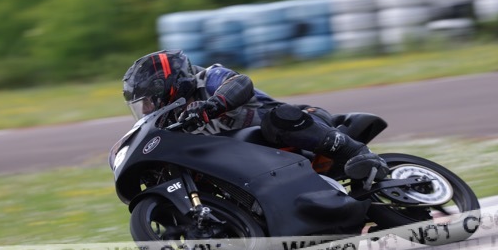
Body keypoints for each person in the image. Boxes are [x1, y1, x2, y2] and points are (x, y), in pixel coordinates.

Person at [122, 49, 388, 181]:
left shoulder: (209, 77)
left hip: (301, 126)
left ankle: (356, 153)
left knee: (277, 119)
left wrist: (211, 106)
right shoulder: (174, 122)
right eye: (141, 106)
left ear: (168, 86)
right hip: (264, 165)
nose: (147, 110)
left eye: (149, 101)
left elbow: (241, 83)